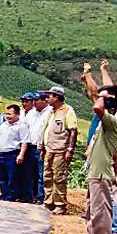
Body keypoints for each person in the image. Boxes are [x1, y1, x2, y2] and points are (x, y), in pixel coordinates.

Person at [81, 62, 117, 234]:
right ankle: (97, 232)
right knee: (96, 199)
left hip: (108, 163)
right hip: (100, 162)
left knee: (108, 197)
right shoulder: (108, 115)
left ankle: (112, 228)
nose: (99, 98)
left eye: (105, 97)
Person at [85, 85, 117, 234]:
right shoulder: (106, 125)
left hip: (100, 173)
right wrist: (115, 171)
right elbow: (115, 154)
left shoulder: (112, 121)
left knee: (100, 209)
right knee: (94, 208)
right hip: (98, 171)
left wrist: (101, 96)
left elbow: (97, 107)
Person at [42, 86, 79, 215]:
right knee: (47, 176)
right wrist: (42, 147)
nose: (47, 98)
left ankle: (60, 204)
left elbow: (73, 131)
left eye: (50, 96)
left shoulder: (67, 111)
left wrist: (69, 149)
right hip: (49, 149)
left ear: (57, 97)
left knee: (59, 177)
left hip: (60, 149)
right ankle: (48, 202)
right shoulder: (51, 112)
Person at [0, 104, 29, 202]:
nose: (7, 116)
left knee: (12, 177)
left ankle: (11, 197)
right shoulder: (4, 124)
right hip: (0, 154)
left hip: (12, 154)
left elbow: (24, 141)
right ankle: (4, 195)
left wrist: (21, 155)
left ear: (17, 115)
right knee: (0, 176)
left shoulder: (22, 126)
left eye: (10, 114)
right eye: (6, 114)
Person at [27, 92, 53, 204]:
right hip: (29, 146)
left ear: (44, 100)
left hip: (41, 147)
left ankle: (40, 196)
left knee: (41, 173)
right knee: (30, 173)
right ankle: (31, 195)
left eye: (36, 100)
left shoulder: (50, 112)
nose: (34, 103)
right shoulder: (31, 113)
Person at [17, 92, 42, 203]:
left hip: (32, 145)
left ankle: (35, 195)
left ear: (32, 102)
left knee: (35, 173)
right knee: (24, 172)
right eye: (23, 101)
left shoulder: (35, 113)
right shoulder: (21, 113)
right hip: (21, 145)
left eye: (26, 101)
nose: (24, 103)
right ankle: (25, 194)